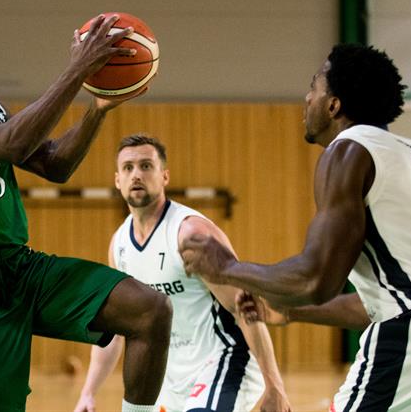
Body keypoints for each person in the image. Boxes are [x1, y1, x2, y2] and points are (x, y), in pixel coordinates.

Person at [181, 43, 411, 411]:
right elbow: (382, 300)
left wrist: (227, 268)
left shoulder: (347, 150)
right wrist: (292, 311)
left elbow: (316, 279)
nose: (307, 98)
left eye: (314, 87)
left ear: (334, 104)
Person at [0, 4, 172, 412]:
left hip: (22, 267)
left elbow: (55, 164)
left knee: (150, 310)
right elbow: (10, 143)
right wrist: (77, 70)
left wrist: (97, 108)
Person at [74, 134, 291, 412]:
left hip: (224, 359)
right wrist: (88, 393)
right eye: (128, 168)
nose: (136, 174)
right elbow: (115, 332)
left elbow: (244, 307)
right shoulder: (119, 246)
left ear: (164, 176)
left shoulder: (191, 233)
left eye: (146, 166)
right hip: (168, 374)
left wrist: (275, 385)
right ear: (118, 180)